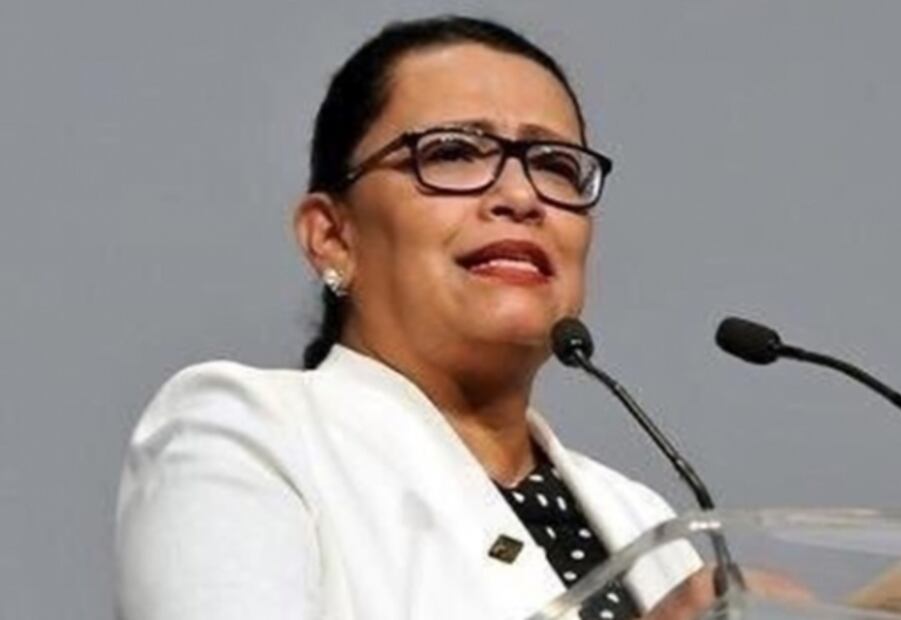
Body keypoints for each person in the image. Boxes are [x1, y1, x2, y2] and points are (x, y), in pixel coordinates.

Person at [114, 16, 703, 620]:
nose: (522, 197)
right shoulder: (245, 434)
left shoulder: (648, 522)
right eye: (451, 153)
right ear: (332, 237)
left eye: (555, 165)